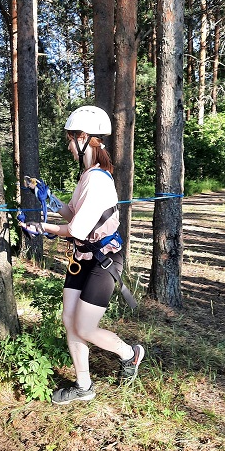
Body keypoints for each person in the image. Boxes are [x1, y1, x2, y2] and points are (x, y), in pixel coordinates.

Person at [19, 105, 145, 405]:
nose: (68, 146)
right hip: (83, 257)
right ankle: (83, 385)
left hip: (103, 260)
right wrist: (50, 199)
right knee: (69, 319)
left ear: (84, 138)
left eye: (70, 139)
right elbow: (74, 213)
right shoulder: (87, 175)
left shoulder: (98, 180)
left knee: (85, 327)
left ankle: (130, 353)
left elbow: (75, 229)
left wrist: (42, 227)